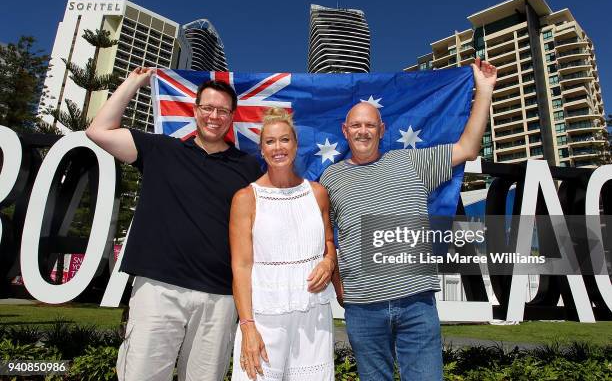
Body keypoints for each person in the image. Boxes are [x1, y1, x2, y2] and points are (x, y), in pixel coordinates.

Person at [319, 57, 497, 381]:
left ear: (382, 129)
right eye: (356, 125)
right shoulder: (330, 178)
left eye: (370, 124)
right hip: (362, 308)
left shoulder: (412, 163)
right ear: (345, 131)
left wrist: (483, 90)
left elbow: (468, 148)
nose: (363, 131)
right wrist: (338, 284)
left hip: (417, 303)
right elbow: (324, 239)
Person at [86, 67, 262, 381]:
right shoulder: (161, 149)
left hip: (219, 297)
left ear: (232, 117)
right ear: (195, 110)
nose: (214, 116)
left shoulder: (248, 167)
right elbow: (98, 131)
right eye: (207, 108)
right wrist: (133, 83)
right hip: (158, 289)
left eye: (222, 110)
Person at [229, 108, 338, 380]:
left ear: (296, 145)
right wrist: (248, 327)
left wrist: (328, 261)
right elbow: (241, 267)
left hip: (314, 317)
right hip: (265, 319)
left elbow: (328, 242)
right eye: (270, 141)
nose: (278, 147)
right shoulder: (246, 198)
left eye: (285, 139)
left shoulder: (317, 193)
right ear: (262, 150)